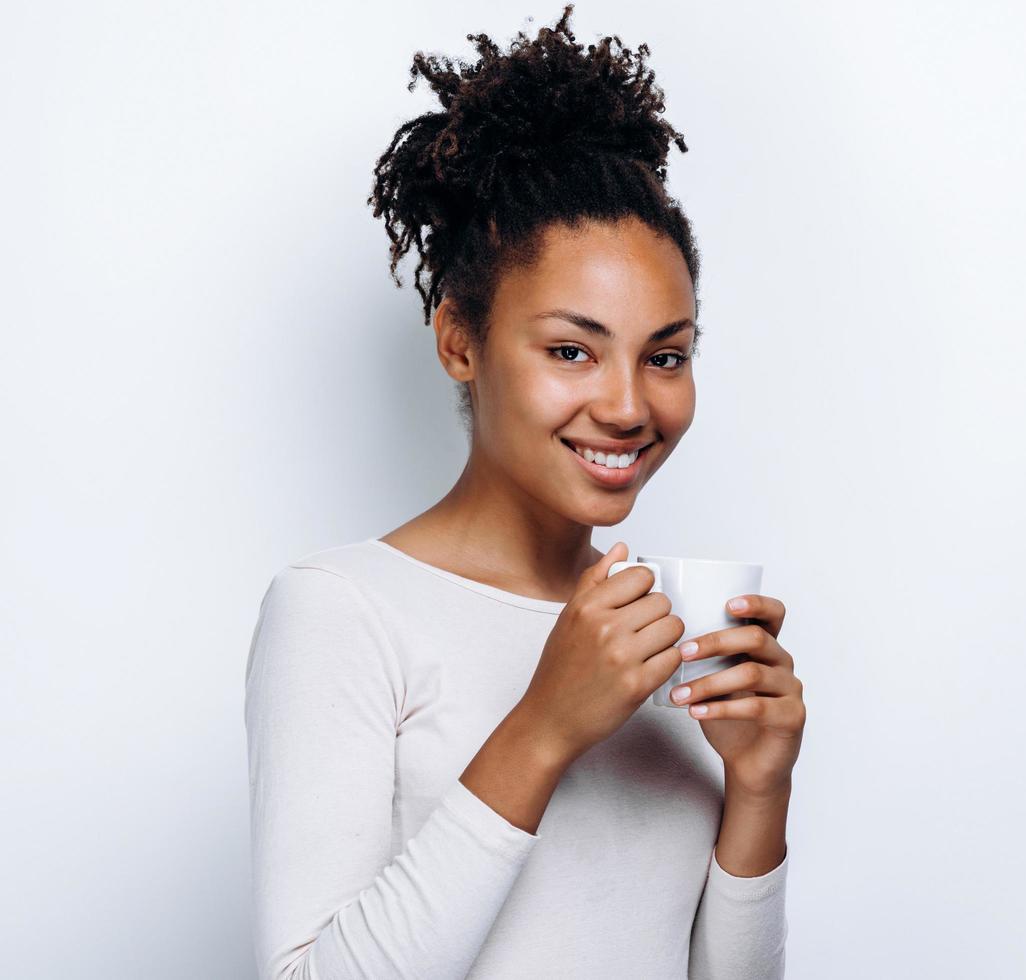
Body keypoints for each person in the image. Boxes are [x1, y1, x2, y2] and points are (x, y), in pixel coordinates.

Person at [242, 6, 806, 978]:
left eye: (664, 354)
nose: (628, 404)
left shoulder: (659, 631)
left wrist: (759, 789)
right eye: (569, 349)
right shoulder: (340, 612)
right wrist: (543, 725)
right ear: (458, 338)